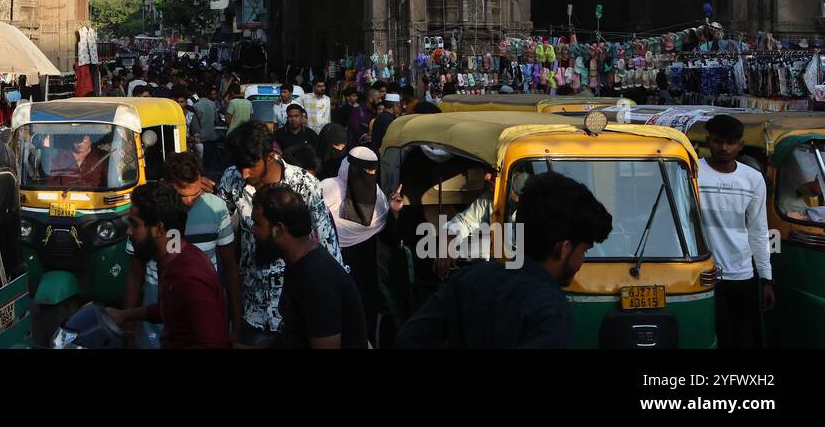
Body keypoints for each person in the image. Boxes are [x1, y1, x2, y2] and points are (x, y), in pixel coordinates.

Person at [396, 171, 612, 348]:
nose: (582, 260)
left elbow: (408, 340)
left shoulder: (470, 278)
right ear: (564, 248)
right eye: (584, 251)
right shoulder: (552, 312)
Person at [217, 121, 344, 345]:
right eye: (239, 166)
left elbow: (329, 244)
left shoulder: (305, 184)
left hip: (295, 313)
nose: (244, 174)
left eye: (250, 166)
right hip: (252, 309)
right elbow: (221, 228)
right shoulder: (231, 179)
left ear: (270, 156)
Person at [106, 181, 232, 349]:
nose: (129, 232)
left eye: (134, 224)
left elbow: (213, 344)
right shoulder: (171, 258)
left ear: (158, 228)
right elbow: (171, 310)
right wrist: (125, 315)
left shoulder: (189, 276)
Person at [251, 184, 368, 348]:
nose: (252, 230)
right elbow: (292, 335)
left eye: (257, 224)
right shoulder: (298, 263)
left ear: (278, 230)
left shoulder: (316, 280)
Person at [320, 146, 413, 346]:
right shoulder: (329, 190)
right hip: (332, 268)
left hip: (366, 278)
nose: (370, 176)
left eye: (373, 172)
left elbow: (390, 239)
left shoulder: (377, 196)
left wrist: (394, 213)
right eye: (365, 172)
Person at [698, 114, 775, 348]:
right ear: (708, 140)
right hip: (703, 275)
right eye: (718, 141)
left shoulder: (752, 179)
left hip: (742, 275)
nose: (723, 148)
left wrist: (766, 278)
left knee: (742, 338)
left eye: (730, 143)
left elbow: (758, 230)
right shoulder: (692, 173)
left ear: (740, 145)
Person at [192, 85, 222, 177]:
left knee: (202, 161)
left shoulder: (196, 106)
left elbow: (195, 123)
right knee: (211, 160)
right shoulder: (212, 104)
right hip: (212, 136)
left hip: (201, 137)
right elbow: (217, 120)